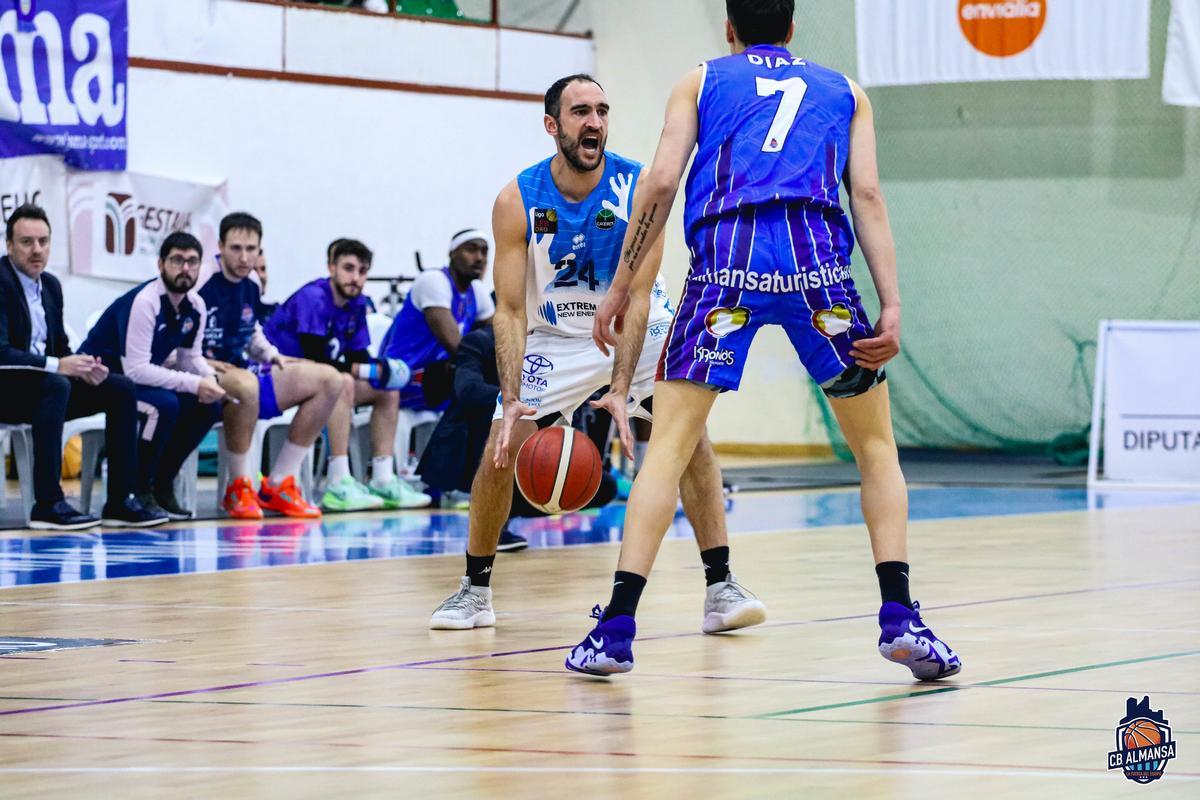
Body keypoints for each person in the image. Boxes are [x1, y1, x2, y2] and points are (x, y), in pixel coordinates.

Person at [567, 0, 961, 681]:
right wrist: (891, 303)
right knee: (875, 447)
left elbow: (660, 182)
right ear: (792, 27)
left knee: (669, 447)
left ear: (729, 27)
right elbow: (866, 195)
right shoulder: (846, 91)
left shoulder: (700, 80)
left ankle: (617, 627)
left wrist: (624, 281)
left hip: (727, 264)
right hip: (819, 268)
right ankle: (900, 617)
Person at [428, 74, 766, 634]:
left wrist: (620, 387)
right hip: (556, 338)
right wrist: (510, 398)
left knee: (687, 437)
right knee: (501, 440)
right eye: (581, 111)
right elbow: (509, 311)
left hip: (638, 326)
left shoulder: (639, 188)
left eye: (603, 110)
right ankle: (475, 590)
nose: (595, 122)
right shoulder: (518, 199)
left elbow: (638, 297)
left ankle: (720, 587)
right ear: (552, 125)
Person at [0, 204, 166, 530]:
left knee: (119, 388)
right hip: (8, 390)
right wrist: (58, 366)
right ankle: (47, 504)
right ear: (9, 245)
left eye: (43, 241)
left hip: (45, 391)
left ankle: (121, 500)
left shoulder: (50, 286)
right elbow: (2, 353)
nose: (37, 250)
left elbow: (60, 347)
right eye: (27, 242)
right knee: (56, 383)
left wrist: (84, 367)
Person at [264, 238, 429, 511]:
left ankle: (383, 478)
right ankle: (338, 481)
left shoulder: (356, 305)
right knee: (340, 382)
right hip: (280, 377)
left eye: (362, 271)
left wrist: (384, 371)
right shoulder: (313, 298)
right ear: (332, 268)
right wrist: (365, 369)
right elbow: (316, 358)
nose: (355, 278)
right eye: (348, 268)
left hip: (322, 381)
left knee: (386, 390)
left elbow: (358, 358)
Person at [198, 212, 343, 519]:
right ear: (220, 246)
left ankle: (278, 484)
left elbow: (250, 331)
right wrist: (204, 362)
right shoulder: (201, 279)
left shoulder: (250, 281)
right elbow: (175, 340)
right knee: (245, 384)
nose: (244, 257)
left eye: (251, 249)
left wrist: (272, 355)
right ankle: (238, 487)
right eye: (236, 248)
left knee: (330, 379)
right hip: (200, 376)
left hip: (241, 371)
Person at [80, 232, 227, 520]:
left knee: (208, 406)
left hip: (137, 383)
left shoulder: (195, 306)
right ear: (161, 265)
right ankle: (139, 488)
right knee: (164, 405)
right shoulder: (146, 301)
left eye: (192, 262)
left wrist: (211, 379)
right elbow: (136, 369)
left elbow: (190, 358)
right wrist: (195, 383)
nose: (185, 269)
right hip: (105, 382)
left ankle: (162, 483)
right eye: (177, 260)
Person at [379, 229, 495, 413]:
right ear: (452, 253)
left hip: (435, 382)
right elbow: (457, 348)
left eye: (484, 251)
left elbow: (500, 339)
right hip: (404, 378)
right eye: (471, 250)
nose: (479, 258)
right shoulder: (433, 281)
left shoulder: (476, 292)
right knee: (474, 374)